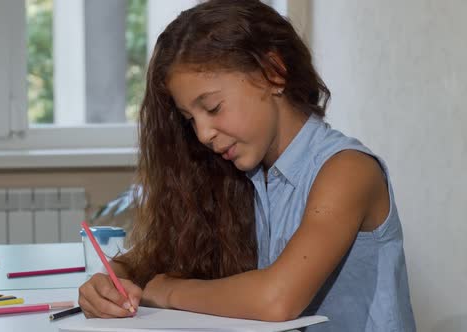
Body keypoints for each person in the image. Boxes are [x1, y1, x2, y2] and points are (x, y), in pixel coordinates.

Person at [78, 0, 416, 330]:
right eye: (189, 120)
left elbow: (276, 299)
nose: (203, 134)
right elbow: (146, 260)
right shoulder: (239, 172)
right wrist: (112, 282)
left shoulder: (347, 170)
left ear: (273, 73)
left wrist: (164, 290)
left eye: (212, 108)